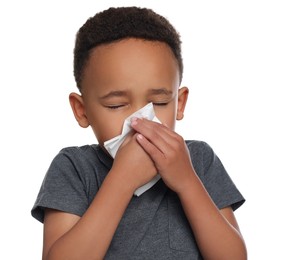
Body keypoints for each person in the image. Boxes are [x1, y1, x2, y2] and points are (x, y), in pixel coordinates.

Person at [31, 6, 247, 260]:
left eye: (159, 101)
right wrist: (121, 180)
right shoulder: (74, 168)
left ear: (180, 103)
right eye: (116, 105)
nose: (140, 121)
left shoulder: (198, 160)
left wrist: (187, 182)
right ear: (82, 110)